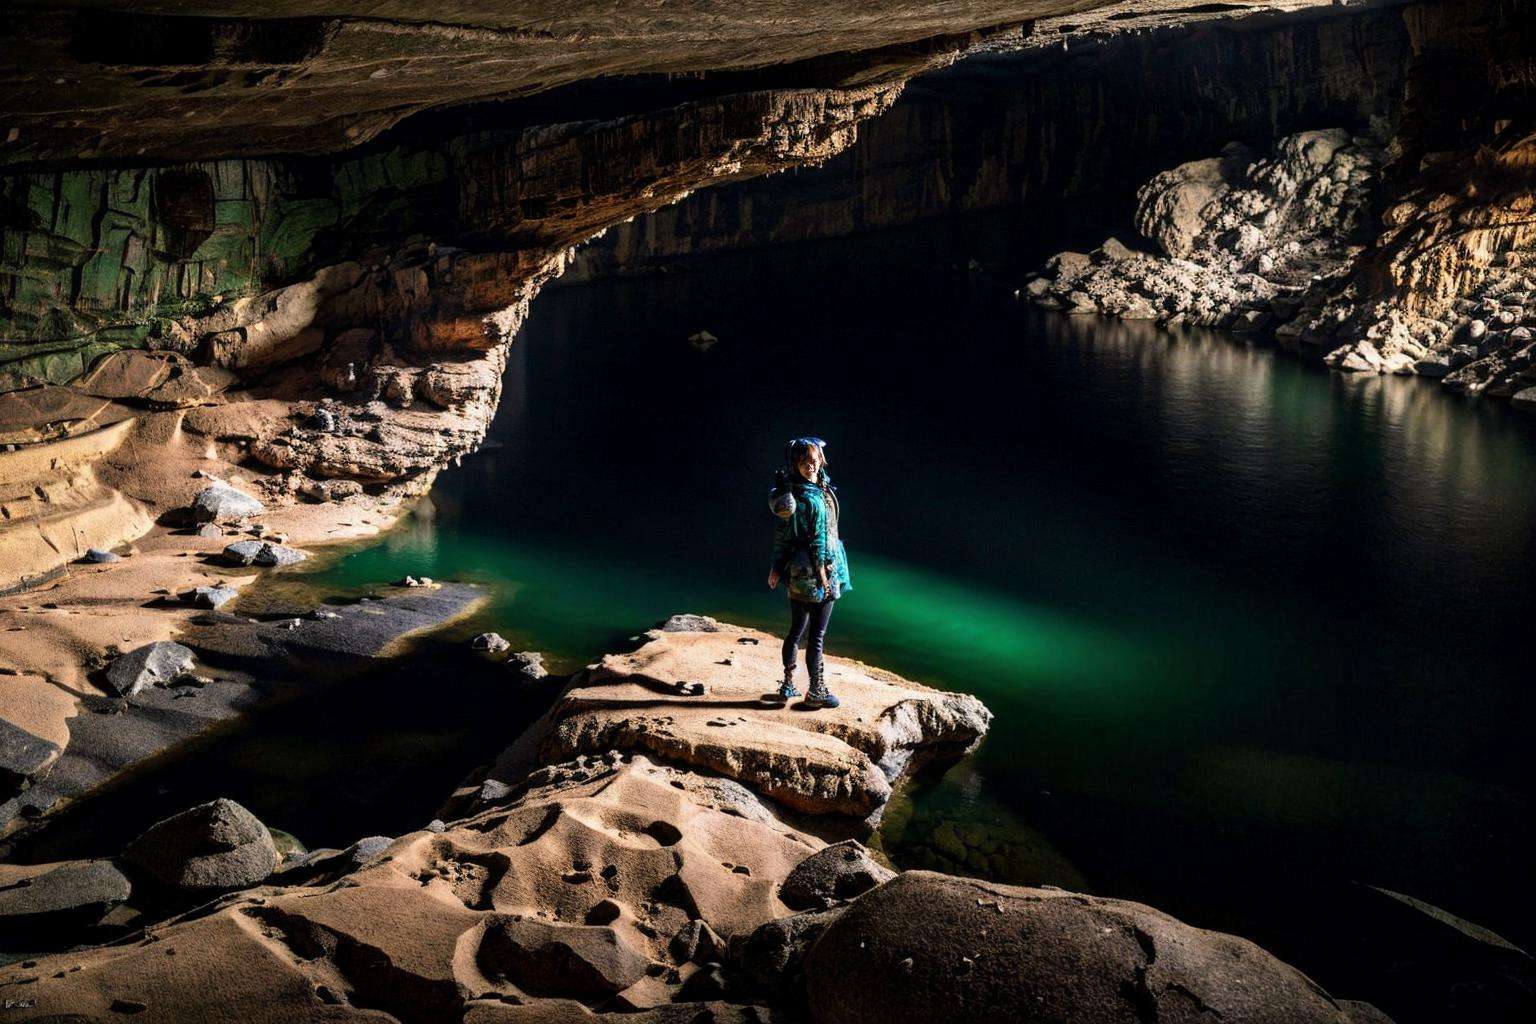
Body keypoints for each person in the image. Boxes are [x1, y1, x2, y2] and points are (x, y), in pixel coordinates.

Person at [767, 437, 852, 708]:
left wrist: (778, 567)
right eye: (804, 461)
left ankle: (789, 685)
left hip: (815, 566)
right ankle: (815, 691)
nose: (810, 465)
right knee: (814, 635)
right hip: (815, 570)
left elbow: (791, 537)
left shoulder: (821, 487)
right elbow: (793, 537)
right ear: (795, 464)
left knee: (797, 631)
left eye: (814, 459)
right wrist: (822, 576)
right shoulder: (795, 496)